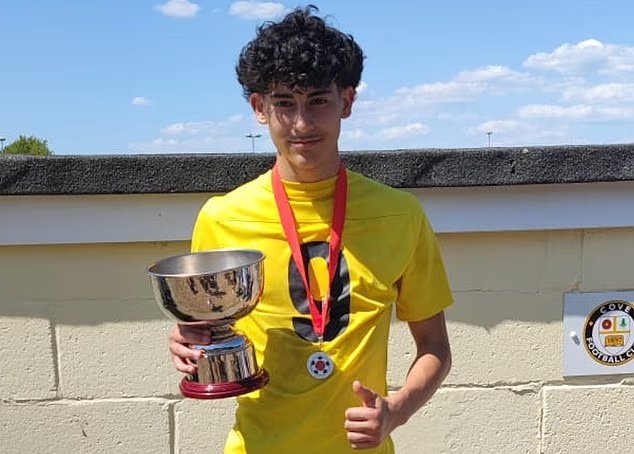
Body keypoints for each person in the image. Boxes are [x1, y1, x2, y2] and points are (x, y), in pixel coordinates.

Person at [169, 6, 453, 453]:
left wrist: (396, 411)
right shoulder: (222, 218)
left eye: (318, 100)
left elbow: (435, 347)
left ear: (347, 102)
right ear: (260, 108)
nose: (302, 123)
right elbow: (207, 334)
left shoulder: (400, 215)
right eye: (285, 102)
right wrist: (189, 341)